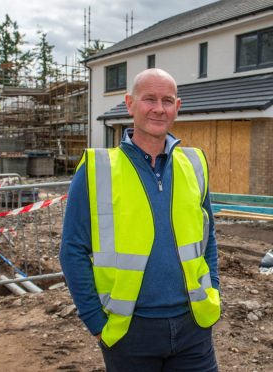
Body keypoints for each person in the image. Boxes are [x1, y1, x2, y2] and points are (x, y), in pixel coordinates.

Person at [59, 68, 220, 371]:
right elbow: (72, 251)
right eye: (149, 99)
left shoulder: (195, 164)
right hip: (130, 332)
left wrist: (215, 295)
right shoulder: (97, 169)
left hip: (193, 327)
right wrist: (96, 322)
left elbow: (207, 237)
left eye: (167, 100)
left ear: (178, 107)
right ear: (130, 104)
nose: (159, 108)